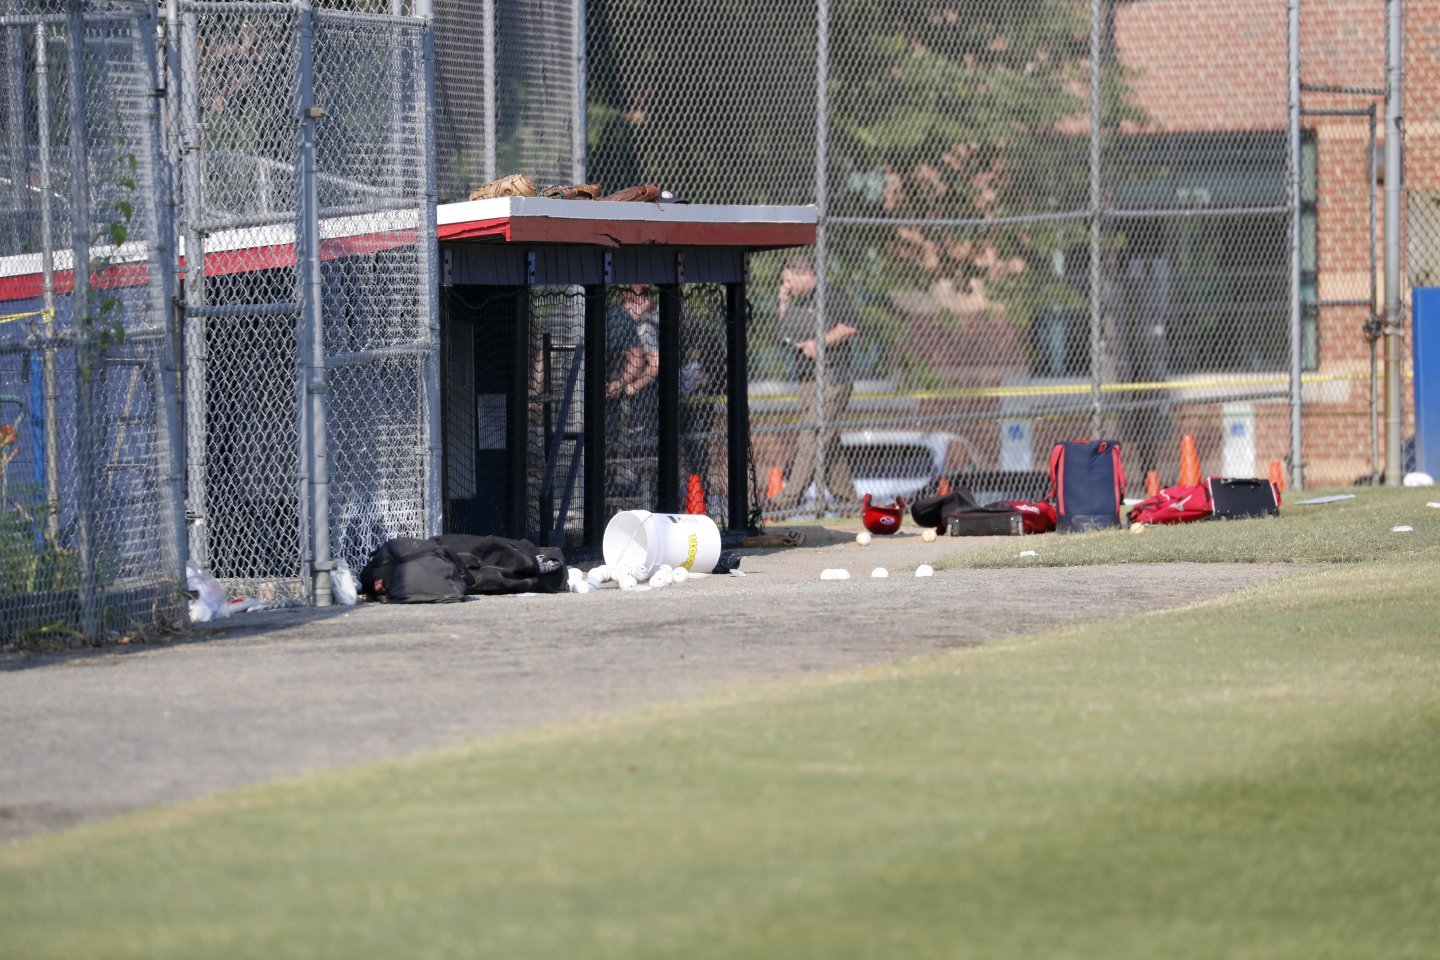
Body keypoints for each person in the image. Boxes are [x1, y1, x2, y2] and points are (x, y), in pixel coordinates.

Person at [773, 252, 861, 513]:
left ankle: (787, 500)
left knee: (812, 436)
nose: (787, 285)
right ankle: (849, 503)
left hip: (831, 376)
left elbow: (851, 326)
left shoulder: (829, 293)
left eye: (789, 280)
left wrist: (818, 344)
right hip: (809, 380)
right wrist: (784, 302)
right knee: (827, 440)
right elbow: (787, 333)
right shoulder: (801, 301)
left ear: (803, 273)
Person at [605, 284, 660, 495]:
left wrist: (631, 386)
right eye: (637, 296)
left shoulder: (646, 324)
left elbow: (654, 363)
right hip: (640, 402)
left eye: (645, 295)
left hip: (646, 402)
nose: (643, 301)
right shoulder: (628, 323)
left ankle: (645, 500)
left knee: (643, 454)